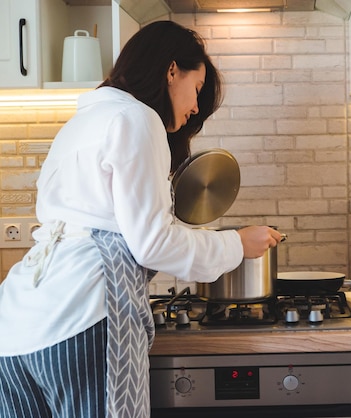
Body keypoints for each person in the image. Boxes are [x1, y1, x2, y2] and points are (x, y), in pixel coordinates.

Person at [0, 21, 282, 418]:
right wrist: (237, 243)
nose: (196, 106)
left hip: (16, 330)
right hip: (83, 319)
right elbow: (152, 242)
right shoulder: (136, 118)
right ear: (171, 71)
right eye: (196, 89)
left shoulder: (78, 124)